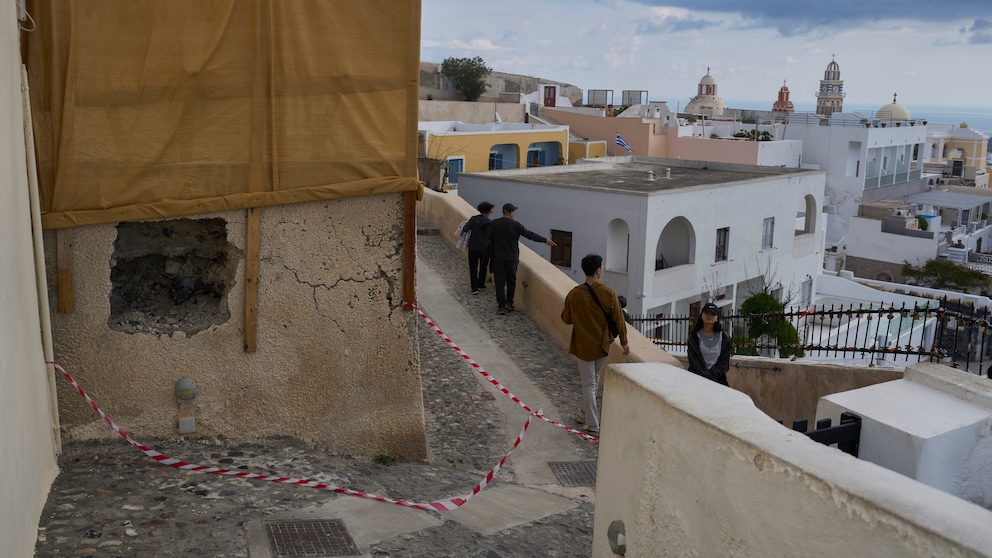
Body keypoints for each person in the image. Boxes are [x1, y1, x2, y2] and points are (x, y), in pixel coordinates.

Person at [561, 254, 629, 435]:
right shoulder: (608, 293)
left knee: (589, 384)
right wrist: (624, 342)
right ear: (598, 270)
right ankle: (583, 414)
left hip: (583, 346)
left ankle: (592, 424)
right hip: (603, 345)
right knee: (594, 381)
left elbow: (566, 319)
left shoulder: (574, 294)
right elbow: (619, 319)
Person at [485, 202, 556, 315]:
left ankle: (501, 306)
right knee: (511, 281)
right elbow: (530, 235)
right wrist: (545, 240)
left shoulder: (494, 223)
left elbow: (487, 238)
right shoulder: (516, 225)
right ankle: (509, 303)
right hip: (512, 258)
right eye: (514, 211)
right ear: (511, 213)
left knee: (499, 283)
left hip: (498, 257)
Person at [686, 302, 732, 386]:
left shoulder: (724, 339)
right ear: (702, 316)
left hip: (718, 381)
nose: (709, 316)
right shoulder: (694, 338)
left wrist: (711, 376)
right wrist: (704, 376)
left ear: (717, 318)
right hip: (696, 380)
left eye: (713, 314)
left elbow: (724, 364)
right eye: (707, 313)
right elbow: (694, 362)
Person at [465, 201, 494, 294]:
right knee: (483, 266)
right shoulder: (489, 222)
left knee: (473, 267)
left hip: (473, 246)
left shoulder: (473, 219)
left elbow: (465, 229)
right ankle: (481, 284)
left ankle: (474, 288)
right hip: (484, 247)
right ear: (488, 212)